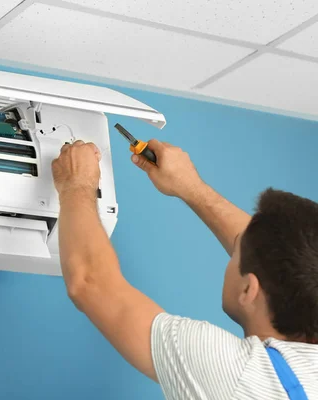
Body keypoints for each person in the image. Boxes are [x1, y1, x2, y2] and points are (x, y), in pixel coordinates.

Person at [52, 139, 318, 399]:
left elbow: (89, 282)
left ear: (248, 289)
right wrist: (191, 187)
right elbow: (286, 256)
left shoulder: (233, 373)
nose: (235, 247)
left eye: (236, 255)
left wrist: (76, 184)